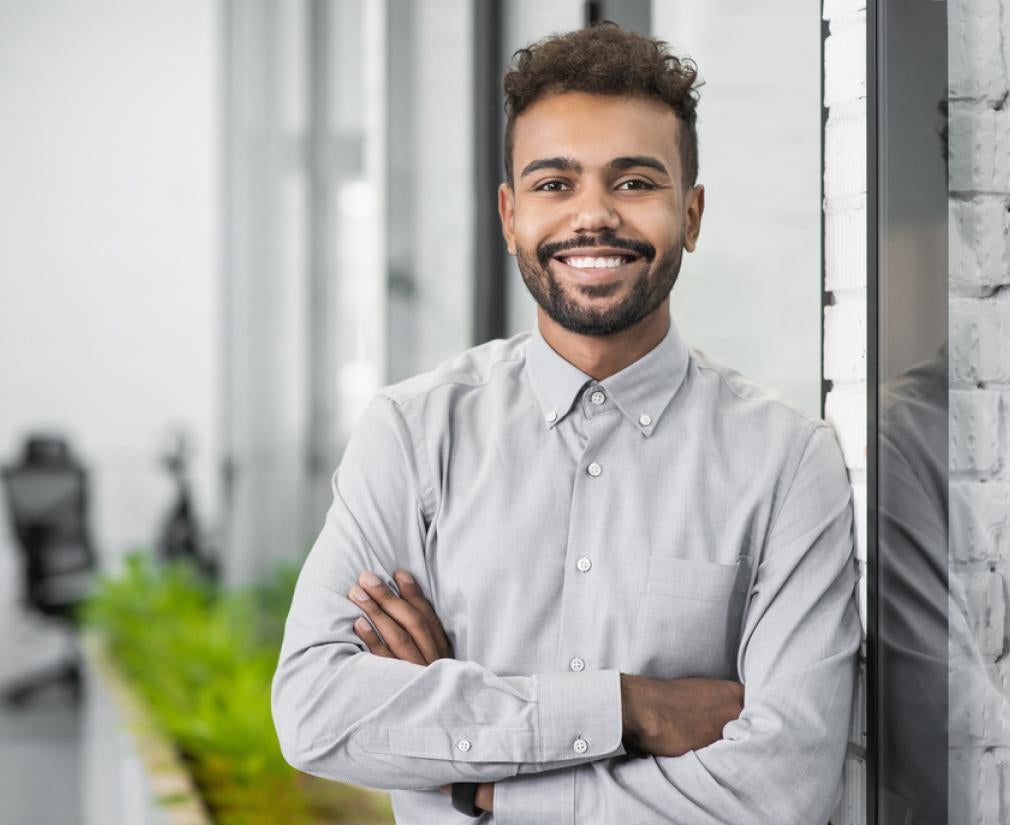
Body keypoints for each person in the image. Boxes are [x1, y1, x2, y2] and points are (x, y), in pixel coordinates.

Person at [272, 23, 860, 825]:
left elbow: (784, 788)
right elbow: (315, 708)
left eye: (634, 183)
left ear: (690, 214)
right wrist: (632, 706)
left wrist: (474, 768)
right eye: (555, 184)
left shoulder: (788, 461)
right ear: (510, 215)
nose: (593, 217)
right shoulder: (413, 434)